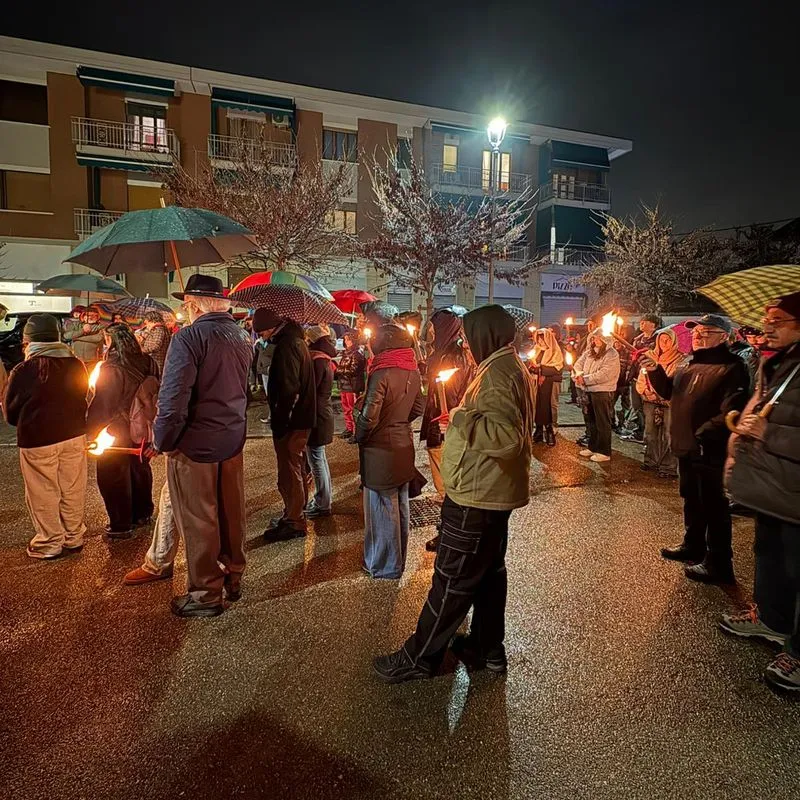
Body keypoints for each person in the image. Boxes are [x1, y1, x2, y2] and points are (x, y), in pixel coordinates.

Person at [373, 305, 534, 682]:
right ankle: (487, 648)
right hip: (493, 490)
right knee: (489, 574)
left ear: (485, 335)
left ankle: (419, 657)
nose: (466, 342)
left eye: (469, 335)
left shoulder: (497, 374)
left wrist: (460, 418)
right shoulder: (504, 365)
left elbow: (507, 437)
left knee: (452, 578)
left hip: (479, 493)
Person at [153, 274, 253, 617]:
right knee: (230, 510)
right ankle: (234, 572)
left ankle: (205, 593)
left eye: (185, 305)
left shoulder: (189, 339)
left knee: (199, 519)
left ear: (193, 305)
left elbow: (173, 398)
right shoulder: (242, 336)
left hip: (195, 442)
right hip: (232, 437)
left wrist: (163, 439)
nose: (184, 311)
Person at [720, 292, 800, 691]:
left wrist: (770, 432)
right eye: (767, 318)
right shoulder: (778, 364)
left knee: (796, 568)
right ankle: (771, 619)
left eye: (779, 319)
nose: (767, 326)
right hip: (771, 485)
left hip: (794, 488)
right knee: (769, 556)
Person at [645, 313, 749, 584]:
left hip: (707, 448)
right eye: (696, 332)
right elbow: (669, 393)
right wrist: (654, 369)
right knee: (691, 498)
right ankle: (693, 545)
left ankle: (719, 563)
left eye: (707, 332)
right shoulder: (688, 363)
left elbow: (733, 410)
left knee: (713, 504)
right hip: (684, 444)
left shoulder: (732, 367)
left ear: (724, 337)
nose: (699, 336)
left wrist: (705, 433)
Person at [4, 314, 88, 559]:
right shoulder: (76, 364)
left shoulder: (25, 369)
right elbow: (85, 396)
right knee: (72, 487)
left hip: (38, 437)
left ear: (29, 340)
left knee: (43, 491)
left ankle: (49, 542)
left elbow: (11, 412)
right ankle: (73, 536)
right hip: (74, 434)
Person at [355, 324, 424, 579]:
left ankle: (384, 565)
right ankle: (398, 560)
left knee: (381, 507)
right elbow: (418, 407)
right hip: (403, 443)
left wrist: (359, 435)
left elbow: (369, 418)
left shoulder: (381, 372)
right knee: (400, 504)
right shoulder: (412, 370)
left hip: (380, 448)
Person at [87, 323, 159, 538]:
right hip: (143, 425)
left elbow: (103, 404)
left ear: (110, 341)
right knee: (140, 468)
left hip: (116, 428)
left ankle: (121, 523)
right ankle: (142, 513)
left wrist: (91, 432)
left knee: (113, 475)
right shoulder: (148, 362)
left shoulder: (111, 368)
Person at [257, 308, 316, 542]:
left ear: (271, 327)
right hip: (299, 419)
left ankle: (294, 520)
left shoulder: (288, 345)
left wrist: (282, 419)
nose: (261, 336)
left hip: (292, 421)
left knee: (290, 470)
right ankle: (294, 514)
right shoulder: (296, 342)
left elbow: (289, 388)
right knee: (297, 467)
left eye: (262, 331)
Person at [419, 309, 474, 552]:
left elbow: (451, 393)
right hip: (438, 421)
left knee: (448, 484)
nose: (429, 331)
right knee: (444, 480)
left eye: (432, 326)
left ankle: (447, 533)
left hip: (445, 425)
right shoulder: (441, 352)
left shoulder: (453, 355)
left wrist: (447, 417)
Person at [635, 327, 685, 478]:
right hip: (650, 401)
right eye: (661, 339)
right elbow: (642, 378)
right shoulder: (650, 356)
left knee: (669, 434)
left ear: (674, 341)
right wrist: (645, 391)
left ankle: (668, 466)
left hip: (668, 403)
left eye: (668, 339)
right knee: (650, 433)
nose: (664, 342)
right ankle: (651, 460)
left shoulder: (680, 359)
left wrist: (660, 394)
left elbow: (671, 381)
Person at [305, 326, 336, 519]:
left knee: (316, 460)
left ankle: (323, 502)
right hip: (323, 414)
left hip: (317, 415)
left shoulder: (317, 361)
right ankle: (323, 498)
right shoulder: (324, 359)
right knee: (319, 459)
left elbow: (311, 391)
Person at [574, 332, 620, 462]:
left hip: (602, 391)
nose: (597, 339)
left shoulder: (611, 354)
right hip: (589, 390)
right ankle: (593, 446)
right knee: (591, 420)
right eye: (594, 337)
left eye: (600, 337)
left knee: (602, 421)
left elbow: (605, 374)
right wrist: (578, 375)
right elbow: (578, 364)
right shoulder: (589, 352)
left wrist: (585, 379)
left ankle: (604, 451)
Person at [620, 314, 661, 443]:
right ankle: (639, 430)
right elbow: (631, 358)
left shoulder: (658, 340)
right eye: (641, 321)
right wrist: (628, 371)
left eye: (645, 322)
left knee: (648, 407)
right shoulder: (637, 339)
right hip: (636, 376)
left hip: (650, 378)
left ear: (653, 325)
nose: (641, 323)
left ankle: (649, 436)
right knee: (636, 405)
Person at [530, 327, 564, 447]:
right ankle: (538, 429)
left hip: (549, 382)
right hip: (536, 382)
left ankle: (549, 430)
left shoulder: (555, 350)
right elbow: (532, 363)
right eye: (538, 338)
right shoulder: (536, 349)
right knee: (537, 404)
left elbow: (558, 366)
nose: (540, 341)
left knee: (547, 405)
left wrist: (542, 369)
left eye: (542, 338)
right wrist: (533, 366)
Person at [336, 330, 366, 441]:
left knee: (353, 409)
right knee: (346, 409)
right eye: (345, 339)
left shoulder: (357, 353)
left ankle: (356, 432)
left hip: (352, 386)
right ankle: (349, 428)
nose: (346, 341)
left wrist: (339, 370)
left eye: (348, 339)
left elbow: (354, 370)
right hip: (344, 384)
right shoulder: (346, 353)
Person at [254, 325, 275, 424]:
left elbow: (269, 352)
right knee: (269, 395)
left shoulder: (273, 342)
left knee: (272, 395)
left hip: (269, 370)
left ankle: (272, 417)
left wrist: (263, 345)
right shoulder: (262, 342)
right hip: (264, 370)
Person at [612, 336, 633, 432]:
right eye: (615, 342)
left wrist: (627, 379)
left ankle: (622, 424)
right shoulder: (611, 352)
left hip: (624, 383)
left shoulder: (628, 353)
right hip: (613, 383)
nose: (617, 344)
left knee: (625, 405)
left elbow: (630, 367)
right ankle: (612, 422)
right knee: (610, 403)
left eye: (619, 342)